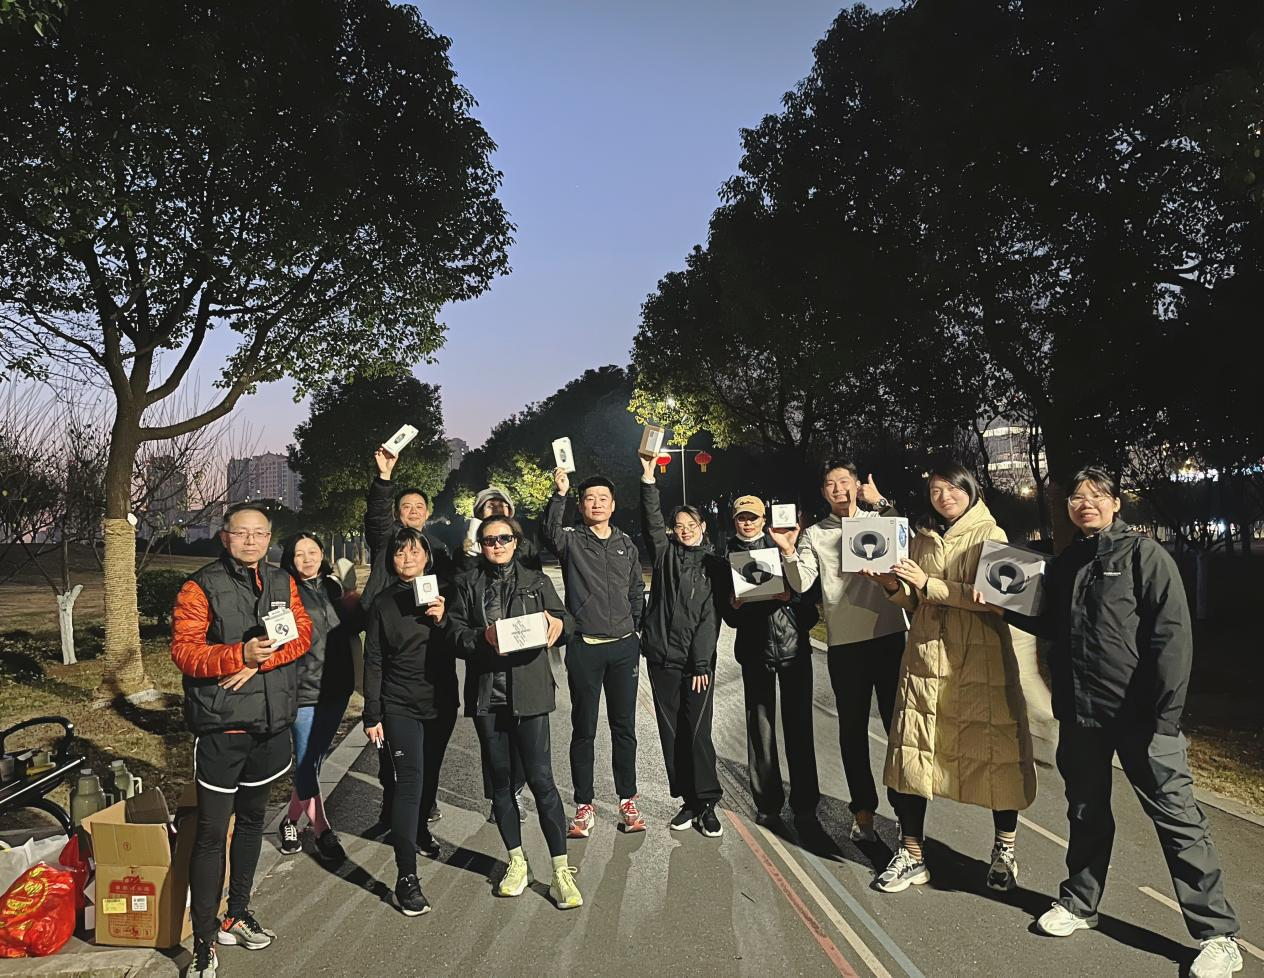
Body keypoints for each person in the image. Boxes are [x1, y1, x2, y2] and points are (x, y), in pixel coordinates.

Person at [1005, 467, 1242, 978]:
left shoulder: (1144, 556)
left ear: (1116, 503)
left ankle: (1218, 935)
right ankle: (1079, 903)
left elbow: (1172, 638)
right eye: (1076, 496)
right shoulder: (1068, 563)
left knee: (1179, 821)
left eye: (1096, 495)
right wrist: (1004, 607)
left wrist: (1166, 717)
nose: (1085, 503)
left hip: (1141, 718)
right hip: (1081, 715)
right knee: (1085, 812)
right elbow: (1051, 625)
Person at [862, 463, 1037, 894]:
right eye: (936, 490)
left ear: (970, 490)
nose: (944, 497)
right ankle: (911, 853)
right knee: (913, 755)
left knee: (997, 756)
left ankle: (1004, 851)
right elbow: (913, 601)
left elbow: (999, 601)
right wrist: (891, 586)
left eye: (952, 489)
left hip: (980, 662)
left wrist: (930, 583)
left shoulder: (991, 534)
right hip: (925, 658)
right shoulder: (922, 536)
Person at [171, 503, 313, 978]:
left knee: (252, 824)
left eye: (260, 533)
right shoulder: (200, 586)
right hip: (222, 728)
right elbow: (185, 651)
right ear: (225, 536)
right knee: (212, 835)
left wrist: (259, 661)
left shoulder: (281, 581)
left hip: (271, 726)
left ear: (270, 538)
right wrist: (238, 654)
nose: (251, 541)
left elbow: (302, 634)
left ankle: (237, 912)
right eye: (242, 532)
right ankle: (204, 940)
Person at [446, 515, 583, 909]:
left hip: (530, 692)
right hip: (488, 695)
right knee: (501, 784)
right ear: (481, 545)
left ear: (516, 541)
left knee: (542, 780)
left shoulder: (536, 581)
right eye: (490, 540)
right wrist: (482, 637)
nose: (497, 545)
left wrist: (559, 625)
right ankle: (517, 861)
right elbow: (453, 633)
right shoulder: (467, 584)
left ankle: (560, 870)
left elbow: (567, 621)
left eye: (504, 538)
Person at [770, 460, 907, 843]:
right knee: (852, 730)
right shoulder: (815, 533)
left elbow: (907, 545)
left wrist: (883, 503)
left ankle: (905, 813)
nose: (838, 488)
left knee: (899, 730)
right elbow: (801, 583)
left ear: (857, 484)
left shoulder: (879, 519)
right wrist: (788, 551)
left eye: (844, 481)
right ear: (823, 492)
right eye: (830, 483)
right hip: (845, 644)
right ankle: (863, 812)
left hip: (889, 635)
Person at [542, 465, 647, 837]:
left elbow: (636, 590)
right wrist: (559, 494)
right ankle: (584, 804)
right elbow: (549, 532)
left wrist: (634, 626)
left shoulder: (626, 544)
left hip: (623, 648)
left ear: (613, 505)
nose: (597, 504)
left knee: (624, 728)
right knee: (583, 729)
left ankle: (627, 799)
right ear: (581, 505)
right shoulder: (572, 541)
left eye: (603, 498)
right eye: (590, 499)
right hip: (585, 647)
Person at [362, 527, 458, 917]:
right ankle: (407, 877)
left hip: (441, 701)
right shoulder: (383, 603)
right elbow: (373, 659)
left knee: (430, 776)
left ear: (427, 556)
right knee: (409, 783)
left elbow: (464, 640)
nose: (407, 559)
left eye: (415, 552)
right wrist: (372, 712)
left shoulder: (445, 594)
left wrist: (443, 618)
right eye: (400, 553)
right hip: (399, 704)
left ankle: (419, 830)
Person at [362, 445, 455, 834]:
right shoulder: (389, 544)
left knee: (429, 752)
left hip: (432, 666)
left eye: (419, 506)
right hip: (392, 654)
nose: (413, 511)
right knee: (392, 751)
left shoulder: (438, 552)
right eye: (406, 507)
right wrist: (384, 478)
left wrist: (446, 615)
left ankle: (423, 809)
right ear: (397, 514)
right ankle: (391, 809)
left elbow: (460, 604)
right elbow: (376, 518)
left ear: (427, 513)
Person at [719, 495, 821, 826]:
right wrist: (733, 604)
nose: (747, 522)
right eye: (741, 517)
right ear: (734, 521)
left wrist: (790, 597)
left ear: (764, 519)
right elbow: (729, 617)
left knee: (799, 727)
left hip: (793, 648)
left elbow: (811, 599)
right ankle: (767, 803)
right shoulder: (726, 555)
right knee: (759, 729)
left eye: (753, 517)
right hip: (754, 651)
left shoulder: (782, 545)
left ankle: (805, 805)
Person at [638, 455, 725, 836]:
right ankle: (688, 802)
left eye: (692, 525)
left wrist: (701, 663)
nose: (686, 530)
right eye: (680, 526)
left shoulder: (714, 565)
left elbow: (710, 617)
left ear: (703, 527)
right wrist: (648, 480)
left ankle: (707, 803)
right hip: (661, 660)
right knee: (672, 732)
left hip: (696, 666)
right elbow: (651, 521)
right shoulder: (665, 555)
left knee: (698, 732)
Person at [276, 532, 360, 863]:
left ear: (322, 554)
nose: (308, 558)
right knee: (307, 761)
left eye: (313, 551)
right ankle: (323, 830)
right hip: (303, 689)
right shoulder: (283, 591)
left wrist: (353, 598)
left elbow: (353, 626)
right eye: (300, 554)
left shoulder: (333, 587)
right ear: (290, 559)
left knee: (315, 760)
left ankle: (288, 821)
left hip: (337, 687)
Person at [454, 485, 534, 822]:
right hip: (486, 667)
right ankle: (499, 796)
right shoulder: (469, 560)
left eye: (501, 505)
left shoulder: (525, 554)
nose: (495, 509)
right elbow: (458, 620)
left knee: (522, 739)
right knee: (491, 740)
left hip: (523, 667)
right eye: (488, 507)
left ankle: (516, 790)